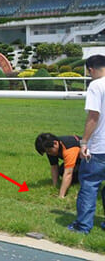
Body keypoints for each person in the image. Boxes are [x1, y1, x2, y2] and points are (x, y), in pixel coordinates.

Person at [69, 54, 105, 233]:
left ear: (90, 69)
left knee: (90, 186)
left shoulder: (96, 86)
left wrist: (83, 142)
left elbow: (93, 117)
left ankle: (83, 226)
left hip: (99, 147)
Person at [35, 133, 81, 198]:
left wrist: (61, 195)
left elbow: (68, 173)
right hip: (78, 161)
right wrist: (55, 185)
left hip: (90, 162)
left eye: (49, 151)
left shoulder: (69, 148)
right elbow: (54, 166)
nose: (49, 154)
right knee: (61, 171)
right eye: (47, 152)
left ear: (55, 143)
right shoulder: (51, 147)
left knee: (73, 173)